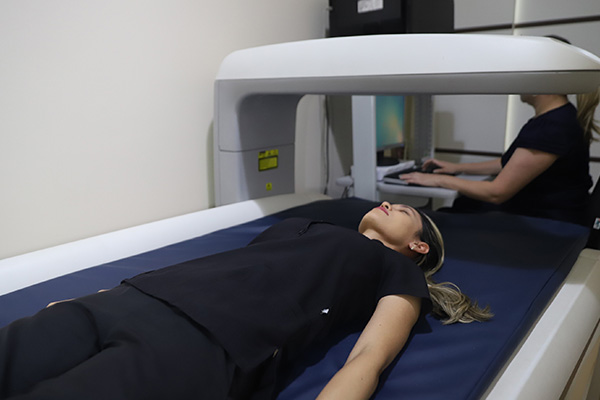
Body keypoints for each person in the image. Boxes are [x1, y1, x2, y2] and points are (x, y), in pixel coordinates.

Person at [0, 202, 491, 400]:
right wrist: (100, 296)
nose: (387, 203)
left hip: (203, 341)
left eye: (402, 209)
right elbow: (222, 269)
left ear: (418, 246)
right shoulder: (301, 226)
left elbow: (369, 357)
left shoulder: (398, 270)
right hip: (131, 298)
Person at [400, 88, 599, 225]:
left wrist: (439, 180)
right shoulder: (560, 116)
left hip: (548, 221)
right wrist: (457, 168)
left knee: (433, 221)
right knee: (462, 205)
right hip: (544, 213)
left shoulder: (553, 126)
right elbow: (511, 163)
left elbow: (497, 192)